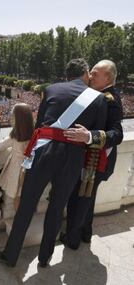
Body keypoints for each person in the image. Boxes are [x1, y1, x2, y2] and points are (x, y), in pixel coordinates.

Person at [0, 58, 108, 268]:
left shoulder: (51, 89)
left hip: (45, 152)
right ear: (85, 73)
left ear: (66, 74)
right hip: (73, 156)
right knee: (56, 208)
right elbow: (96, 137)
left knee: (26, 205)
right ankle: (45, 258)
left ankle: (10, 256)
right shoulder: (99, 99)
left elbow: (39, 127)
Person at [61, 60, 124, 249]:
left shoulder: (110, 99)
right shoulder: (100, 95)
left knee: (78, 200)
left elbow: (117, 134)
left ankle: (72, 240)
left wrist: (88, 136)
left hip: (94, 161)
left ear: (108, 77)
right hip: (93, 160)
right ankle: (85, 234)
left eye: (96, 73)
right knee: (87, 200)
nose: (91, 76)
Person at [0, 103, 34, 210]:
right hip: (30, 168)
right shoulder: (34, 134)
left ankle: (19, 220)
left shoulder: (14, 136)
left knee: (17, 197)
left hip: (17, 169)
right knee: (27, 197)